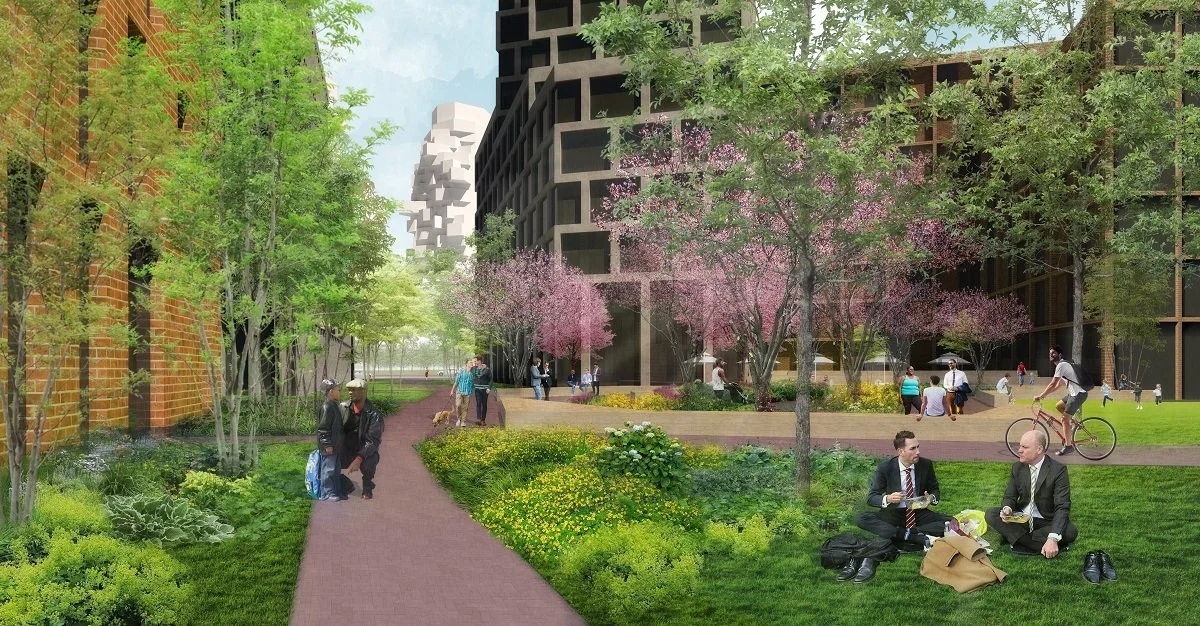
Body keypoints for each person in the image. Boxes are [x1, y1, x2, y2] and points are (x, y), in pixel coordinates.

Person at [854, 431, 953, 553]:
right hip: (892, 514)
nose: (918, 452)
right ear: (901, 452)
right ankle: (913, 537)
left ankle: (903, 533)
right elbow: (872, 497)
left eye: (918, 447)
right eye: (913, 448)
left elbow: (935, 489)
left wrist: (931, 498)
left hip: (918, 512)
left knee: (953, 523)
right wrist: (888, 498)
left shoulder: (925, 465)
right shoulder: (885, 467)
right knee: (861, 518)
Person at [985, 429, 1077, 558]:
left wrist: (1052, 538)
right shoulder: (1017, 467)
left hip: (1046, 521)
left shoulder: (1058, 470)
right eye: (1020, 446)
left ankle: (1019, 540)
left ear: (1039, 449)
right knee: (991, 514)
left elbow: (1062, 506)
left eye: (1025, 447)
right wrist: (1007, 509)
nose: (1019, 450)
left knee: (1070, 531)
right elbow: (1010, 496)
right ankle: (1040, 546)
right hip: (1021, 518)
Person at [1033, 345, 1087, 456]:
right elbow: (1058, 385)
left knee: (1064, 419)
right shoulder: (1064, 366)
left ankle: (1068, 446)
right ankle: (1073, 423)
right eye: (1050, 353)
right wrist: (1045, 395)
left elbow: (1053, 383)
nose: (1051, 355)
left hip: (1078, 394)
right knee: (1059, 406)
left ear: (1060, 355)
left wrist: (1041, 395)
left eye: (1053, 353)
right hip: (1074, 394)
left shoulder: (1061, 365)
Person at [342, 378, 384, 500]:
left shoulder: (374, 415)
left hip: (364, 451)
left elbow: (373, 441)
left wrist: (359, 458)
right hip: (345, 449)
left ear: (364, 392)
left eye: (354, 390)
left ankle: (367, 486)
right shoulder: (343, 408)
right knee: (328, 463)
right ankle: (345, 483)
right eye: (349, 390)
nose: (350, 392)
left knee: (368, 463)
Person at [315, 378, 346, 501]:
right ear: (331, 391)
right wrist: (327, 444)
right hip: (329, 446)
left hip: (336, 445)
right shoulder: (327, 407)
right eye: (338, 390)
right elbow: (323, 428)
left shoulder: (334, 406)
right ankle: (326, 493)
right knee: (328, 470)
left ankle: (334, 491)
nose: (340, 392)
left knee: (335, 470)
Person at [450, 358, 475, 427]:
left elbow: (473, 384)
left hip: (467, 393)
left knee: (465, 407)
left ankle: (463, 421)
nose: (471, 364)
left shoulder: (472, 373)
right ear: (466, 364)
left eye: (472, 363)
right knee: (458, 405)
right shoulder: (461, 371)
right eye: (470, 362)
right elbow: (456, 381)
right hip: (459, 391)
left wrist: (472, 391)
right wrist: (452, 390)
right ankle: (458, 419)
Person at [472, 355, 492, 425]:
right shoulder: (474, 368)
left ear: (479, 361)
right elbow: (467, 368)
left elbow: (491, 379)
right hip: (477, 389)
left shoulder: (487, 369)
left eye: (475, 361)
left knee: (484, 404)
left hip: (485, 390)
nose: (474, 362)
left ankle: (483, 420)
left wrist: (489, 388)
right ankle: (479, 419)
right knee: (478, 404)